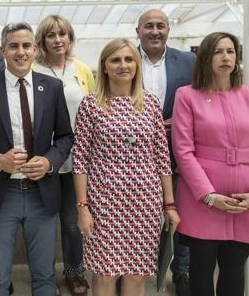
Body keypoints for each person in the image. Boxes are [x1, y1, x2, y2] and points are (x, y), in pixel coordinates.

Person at [0, 22, 73, 296]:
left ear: (35, 50)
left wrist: (50, 161)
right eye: (13, 46)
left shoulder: (52, 87)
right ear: (2, 50)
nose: (21, 52)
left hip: (43, 194)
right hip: (2, 194)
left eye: (26, 45)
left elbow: (65, 136)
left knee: (45, 277)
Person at [172, 32, 249, 296]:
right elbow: (184, 152)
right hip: (202, 202)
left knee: (234, 275)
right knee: (201, 272)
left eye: (231, 51)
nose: (226, 57)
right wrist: (208, 196)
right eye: (218, 51)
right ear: (206, 57)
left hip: (245, 202)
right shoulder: (186, 96)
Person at [72, 38, 180, 296]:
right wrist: (82, 207)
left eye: (129, 59)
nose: (123, 65)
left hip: (145, 202)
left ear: (137, 65)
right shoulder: (91, 105)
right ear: (105, 66)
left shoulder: (151, 103)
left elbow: (162, 157)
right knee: (106, 274)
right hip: (104, 203)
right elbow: (80, 160)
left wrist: (169, 205)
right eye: (116, 60)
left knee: (137, 273)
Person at [136, 8, 195, 296]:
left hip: (179, 151)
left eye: (161, 26)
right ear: (138, 32)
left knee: (179, 213)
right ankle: (134, 269)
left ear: (168, 30)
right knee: (138, 215)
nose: (155, 31)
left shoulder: (188, 61)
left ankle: (180, 271)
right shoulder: (125, 59)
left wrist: (181, 124)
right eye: (148, 26)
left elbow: (202, 99)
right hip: (135, 155)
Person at [33, 15, 94, 296]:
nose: (58, 39)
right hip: (43, 158)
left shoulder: (81, 69)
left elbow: (94, 108)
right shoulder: (32, 69)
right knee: (43, 222)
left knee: (72, 222)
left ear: (70, 38)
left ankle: (73, 272)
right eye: (51, 35)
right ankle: (44, 278)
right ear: (42, 41)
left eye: (63, 34)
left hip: (78, 160)